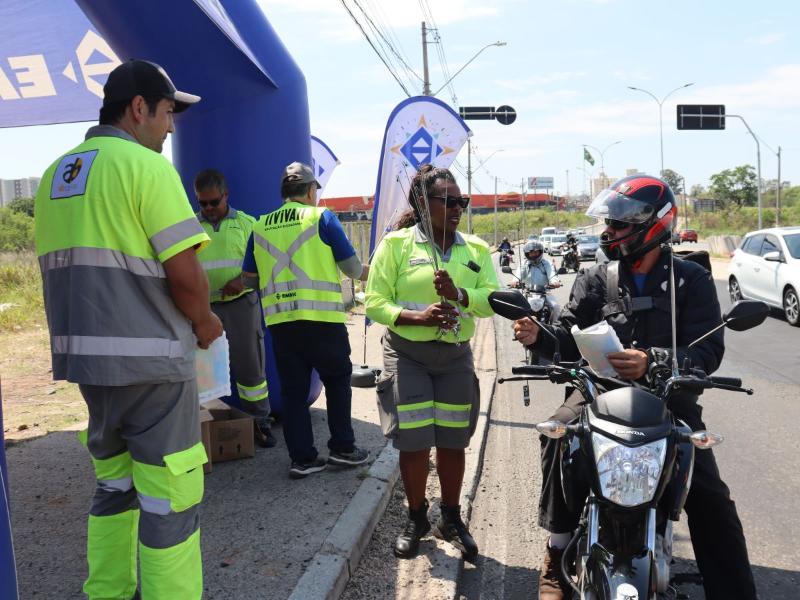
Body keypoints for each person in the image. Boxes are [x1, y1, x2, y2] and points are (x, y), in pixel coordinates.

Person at [513, 175, 758, 600]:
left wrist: (654, 359)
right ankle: (555, 551)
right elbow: (568, 338)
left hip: (670, 398)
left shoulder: (691, 280)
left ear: (653, 225)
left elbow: (708, 350)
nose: (609, 231)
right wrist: (540, 337)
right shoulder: (594, 279)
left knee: (710, 496)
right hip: (599, 394)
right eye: (609, 223)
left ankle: (735, 591)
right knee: (557, 434)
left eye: (619, 224)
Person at [34, 59, 222, 599]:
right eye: (166, 113)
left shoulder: (55, 176)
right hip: (153, 365)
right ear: (138, 108)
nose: (170, 127)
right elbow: (185, 276)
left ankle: (109, 592)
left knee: (115, 488)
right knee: (170, 500)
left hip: (88, 368)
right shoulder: (145, 167)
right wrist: (207, 323)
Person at [365, 164, 499, 563]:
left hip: (455, 356)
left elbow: (491, 300)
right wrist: (416, 317)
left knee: (453, 440)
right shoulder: (396, 246)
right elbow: (374, 302)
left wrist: (459, 294)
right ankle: (416, 517)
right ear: (423, 203)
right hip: (407, 355)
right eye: (448, 201)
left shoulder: (475, 250)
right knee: (415, 440)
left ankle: (450, 518)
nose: (457, 208)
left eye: (462, 201)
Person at [241, 162, 370, 478]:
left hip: (281, 323)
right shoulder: (321, 217)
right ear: (311, 191)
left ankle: (302, 459)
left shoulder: (259, 226)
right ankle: (343, 449)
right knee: (337, 380)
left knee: (293, 392)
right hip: (323, 320)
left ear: (283, 192)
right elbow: (352, 269)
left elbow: (248, 280)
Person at [194, 169, 275, 448]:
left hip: (241, 305)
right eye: (202, 203)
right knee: (203, 370)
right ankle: (206, 428)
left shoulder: (247, 224)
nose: (208, 208)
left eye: (213, 202)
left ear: (226, 195)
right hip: (203, 310)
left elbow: (266, 265)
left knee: (250, 368)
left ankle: (260, 422)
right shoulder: (189, 228)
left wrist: (242, 281)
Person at [513, 240, 562, 321]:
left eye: (536, 252)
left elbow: (552, 274)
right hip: (527, 292)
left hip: (545, 292)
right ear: (527, 254)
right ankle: (519, 328)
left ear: (540, 252)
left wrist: (554, 282)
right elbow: (518, 274)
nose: (533, 254)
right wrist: (515, 281)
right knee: (516, 308)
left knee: (555, 307)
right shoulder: (523, 264)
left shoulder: (547, 263)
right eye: (531, 253)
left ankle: (555, 326)